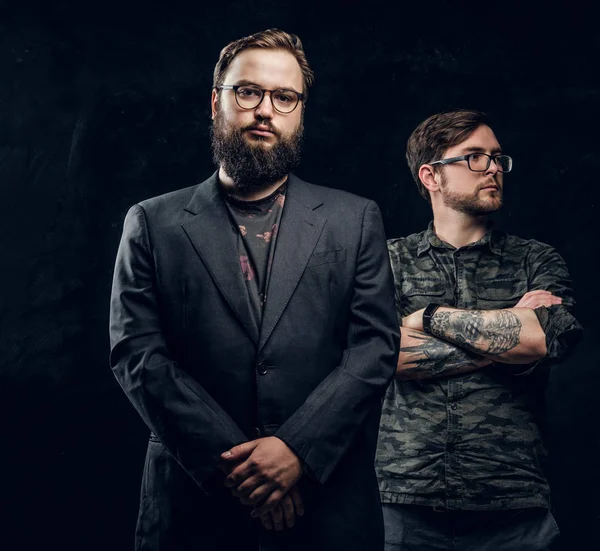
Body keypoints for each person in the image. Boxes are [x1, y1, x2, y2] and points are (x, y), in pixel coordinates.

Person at [109, 28, 399, 551]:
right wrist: (245, 471)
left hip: (326, 506)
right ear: (215, 102)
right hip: (195, 507)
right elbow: (138, 356)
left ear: (300, 111)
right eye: (248, 91)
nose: (266, 109)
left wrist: (296, 451)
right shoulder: (152, 222)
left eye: (284, 97)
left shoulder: (355, 219)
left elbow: (374, 347)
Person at [376, 109, 582, 551]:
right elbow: (380, 355)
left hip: (513, 505)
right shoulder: (386, 261)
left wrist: (426, 317)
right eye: (474, 157)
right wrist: (511, 341)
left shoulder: (535, 260)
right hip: (407, 503)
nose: (492, 168)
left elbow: (550, 337)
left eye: (496, 157)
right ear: (430, 176)